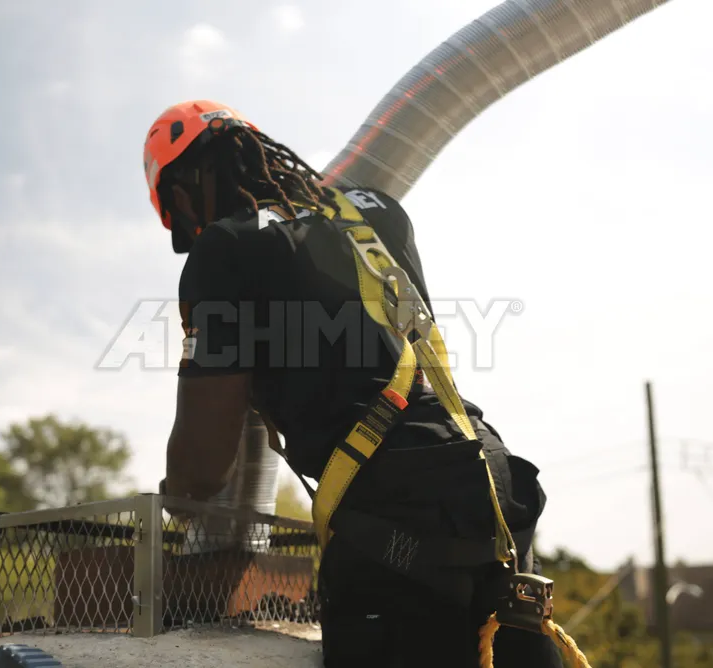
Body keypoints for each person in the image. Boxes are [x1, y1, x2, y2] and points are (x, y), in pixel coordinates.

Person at [146, 100, 563, 667]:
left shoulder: (228, 245)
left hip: (394, 525)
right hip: (490, 487)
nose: (189, 232)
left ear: (191, 178)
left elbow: (200, 474)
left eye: (177, 211)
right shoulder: (379, 214)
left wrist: (177, 497)